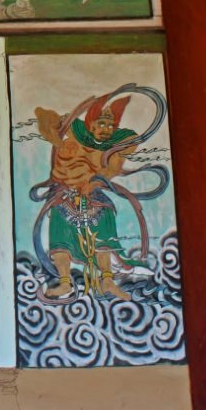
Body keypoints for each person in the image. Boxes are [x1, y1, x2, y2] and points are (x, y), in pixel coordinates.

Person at [34, 93, 146, 301]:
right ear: (91, 126)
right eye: (101, 124)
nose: (106, 129)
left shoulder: (113, 149)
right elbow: (44, 118)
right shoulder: (74, 135)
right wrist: (56, 135)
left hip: (93, 193)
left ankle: (107, 281)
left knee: (104, 227)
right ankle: (65, 283)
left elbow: (109, 172)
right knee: (60, 236)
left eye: (110, 125)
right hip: (64, 193)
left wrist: (92, 183)